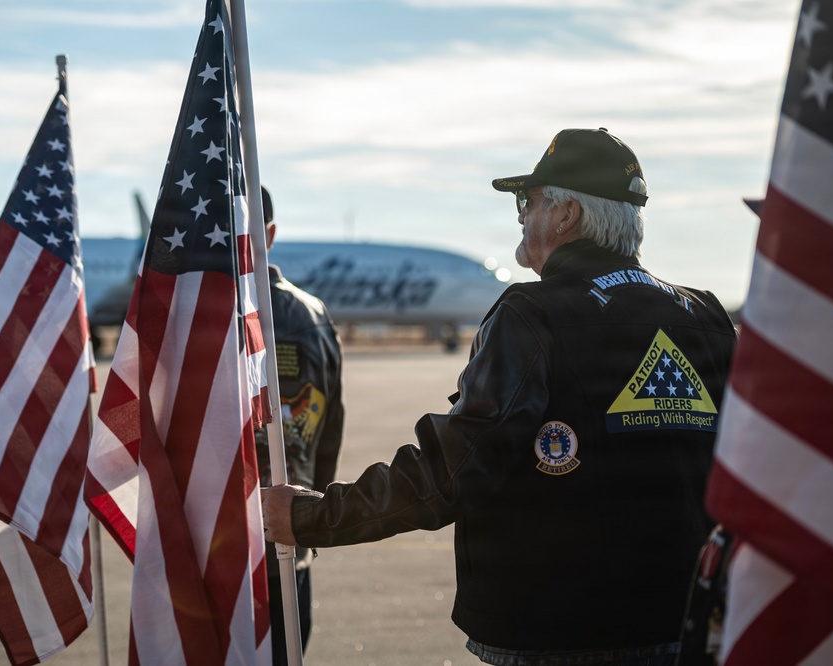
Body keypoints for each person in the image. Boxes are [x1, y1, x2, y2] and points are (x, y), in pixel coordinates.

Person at [262, 128, 737, 665]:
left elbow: (453, 472)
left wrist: (314, 517)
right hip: (685, 628)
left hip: (559, 637)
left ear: (567, 215)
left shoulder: (531, 317)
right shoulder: (708, 320)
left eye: (528, 200)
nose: (520, 215)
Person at [255, 186, 345, 665]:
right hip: (285, 534)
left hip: (202, 544)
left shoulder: (186, 316)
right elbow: (330, 428)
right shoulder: (312, 315)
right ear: (270, 234)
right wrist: (311, 515)